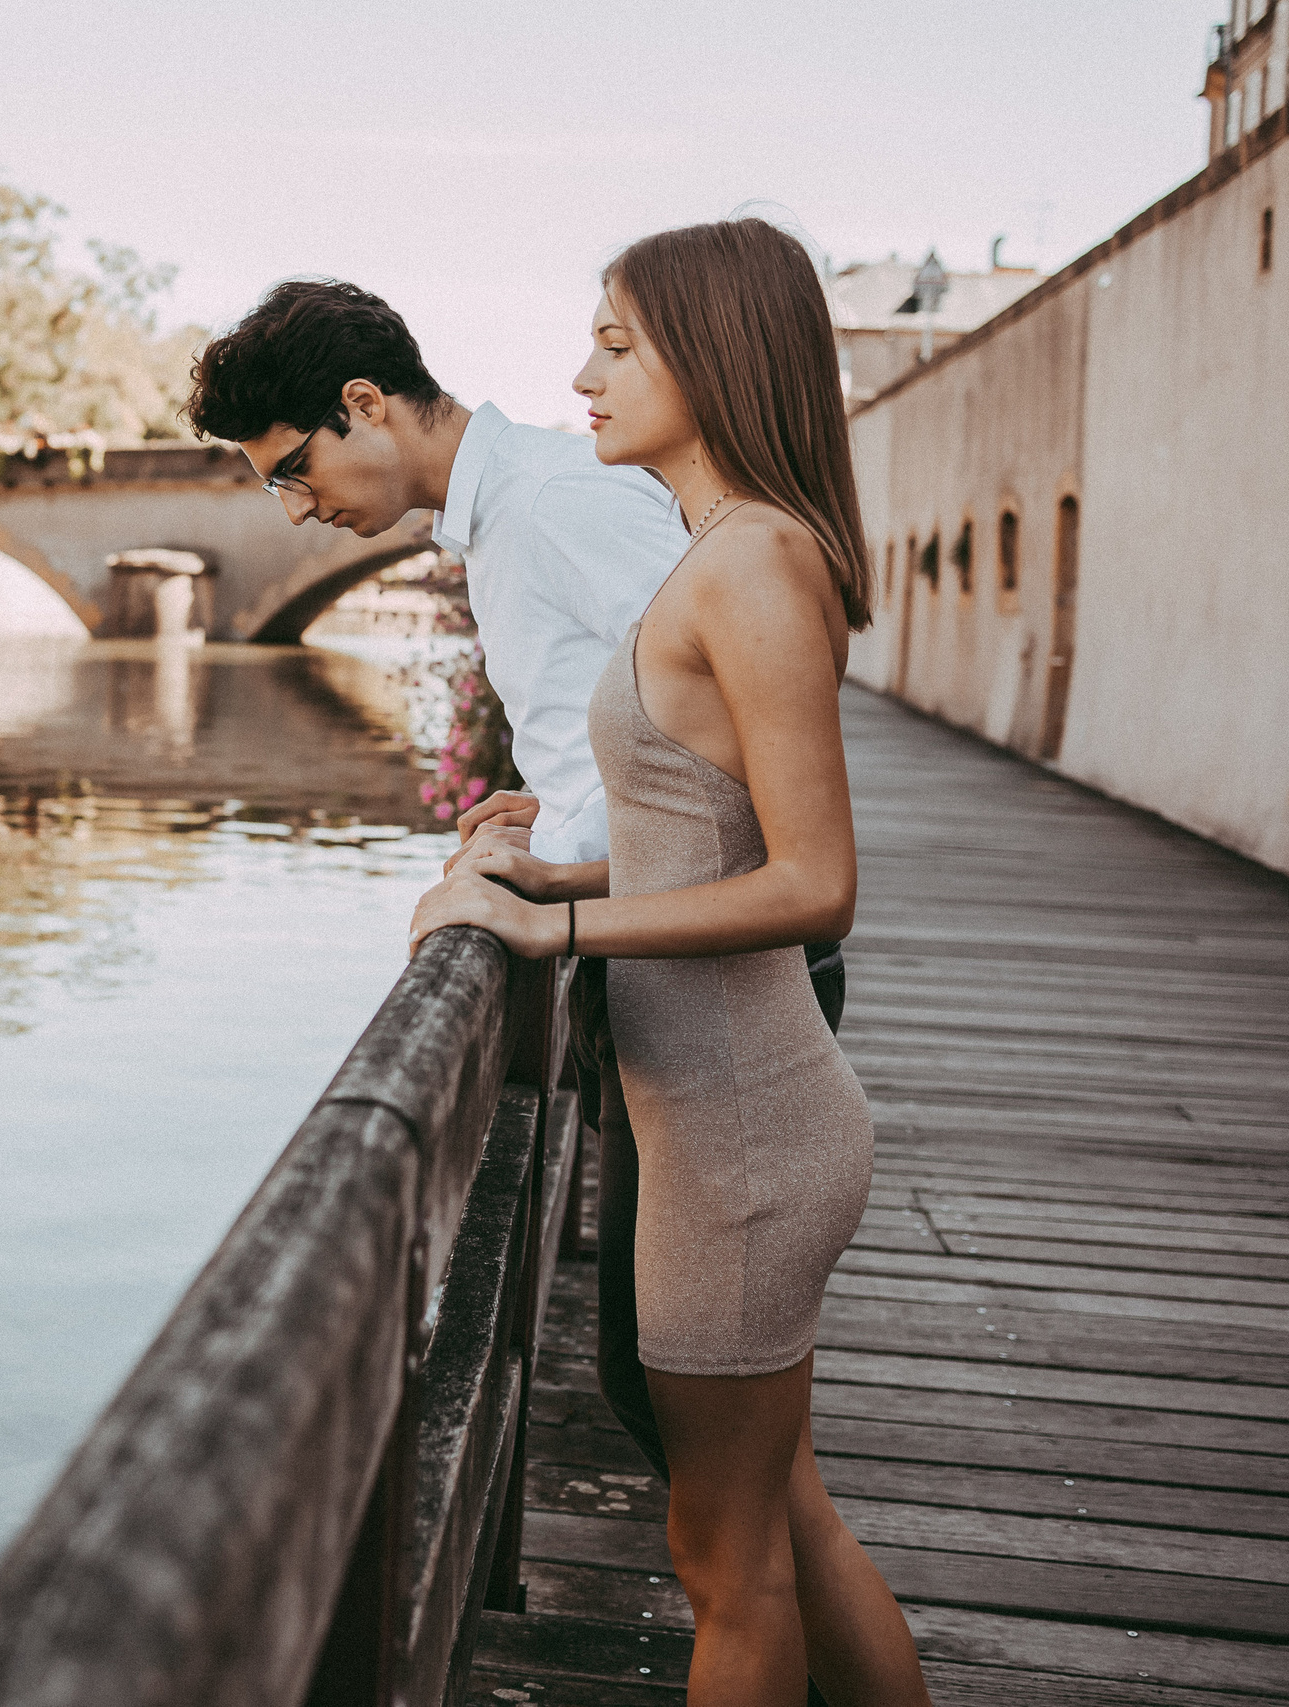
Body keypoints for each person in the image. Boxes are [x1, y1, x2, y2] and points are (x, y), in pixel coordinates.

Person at [180, 279, 846, 1504]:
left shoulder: (552, 504)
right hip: (660, 949)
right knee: (686, 1430)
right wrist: (560, 808)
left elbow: (740, 728)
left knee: (699, 1443)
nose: (293, 511)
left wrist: (550, 903)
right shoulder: (513, 513)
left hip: (724, 980)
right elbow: (656, 725)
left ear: (365, 406)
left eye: (287, 470)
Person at [409, 219, 930, 1705]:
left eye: (619, 341)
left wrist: (549, 928)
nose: (581, 373)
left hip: (744, 1135)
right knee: (780, 1524)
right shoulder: (718, 554)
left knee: (727, 1567)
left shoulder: (755, 563)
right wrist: (548, 867)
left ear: (715, 353)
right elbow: (699, 838)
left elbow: (815, 884)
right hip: (722, 1115)